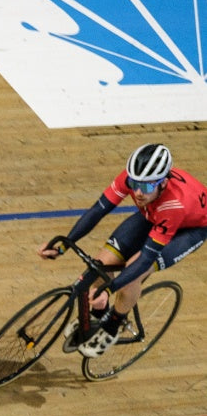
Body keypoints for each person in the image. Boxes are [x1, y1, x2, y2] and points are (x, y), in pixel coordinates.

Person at [39, 143, 207, 357]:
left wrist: (110, 289)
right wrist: (64, 244)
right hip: (153, 214)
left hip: (189, 230)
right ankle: (99, 315)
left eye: (146, 187)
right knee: (100, 264)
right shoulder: (132, 178)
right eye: (134, 184)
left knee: (132, 273)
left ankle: (113, 326)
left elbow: (145, 259)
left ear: (163, 183)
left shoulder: (174, 206)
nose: (138, 192)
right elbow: (98, 210)